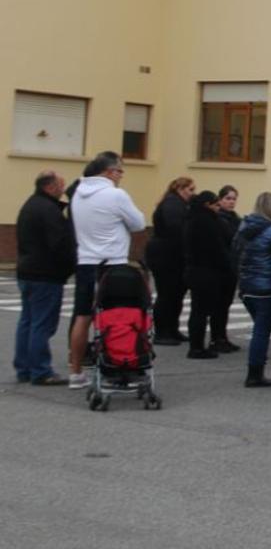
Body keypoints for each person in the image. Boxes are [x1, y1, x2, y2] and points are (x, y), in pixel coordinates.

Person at [68, 152, 146, 389]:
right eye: (120, 171)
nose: (121, 176)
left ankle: (76, 371)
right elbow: (139, 223)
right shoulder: (115, 194)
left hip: (85, 261)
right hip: (112, 264)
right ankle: (115, 364)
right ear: (109, 172)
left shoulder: (77, 194)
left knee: (82, 316)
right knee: (115, 317)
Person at [14, 170, 76, 385]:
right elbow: (59, 244)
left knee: (28, 321)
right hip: (46, 274)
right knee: (42, 323)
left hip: (27, 271)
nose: (63, 190)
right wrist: (72, 264)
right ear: (49, 187)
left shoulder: (30, 205)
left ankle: (24, 368)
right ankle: (41, 371)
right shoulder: (49, 210)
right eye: (60, 185)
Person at [235, 192, 271, 387]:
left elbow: (235, 252)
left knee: (260, 329)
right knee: (262, 332)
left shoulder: (244, 227)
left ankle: (256, 369)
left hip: (247, 285)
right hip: (267, 287)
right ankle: (255, 373)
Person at [184, 191, 233, 359]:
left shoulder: (192, 219)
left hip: (196, 270)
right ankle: (197, 347)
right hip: (207, 271)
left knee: (198, 310)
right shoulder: (207, 222)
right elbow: (218, 248)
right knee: (201, 310)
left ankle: (196, 345)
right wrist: (228, 265)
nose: (218, 208)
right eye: (216, 204)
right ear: (207, 205)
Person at [147, 177, 194, 345]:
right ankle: (162, 331)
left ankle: (172, 328)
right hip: (166, 255)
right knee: (167, 294)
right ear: (180, 189)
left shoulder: (176, 204)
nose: (192, 193)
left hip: (171, 254)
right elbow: (176, 229)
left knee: (176, 294)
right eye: (190, 189)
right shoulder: (172, 204)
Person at [214, 185, 242, 352]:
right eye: (228, 198)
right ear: (220, 200)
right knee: (219, 305)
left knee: (226, 304)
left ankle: (222, 336)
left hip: (232, 266)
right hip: (222, 266)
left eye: (233, 199)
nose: (231, 202)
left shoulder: (234, 218)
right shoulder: (219, 218)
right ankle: (217, 337)